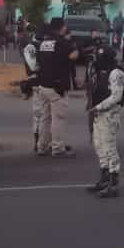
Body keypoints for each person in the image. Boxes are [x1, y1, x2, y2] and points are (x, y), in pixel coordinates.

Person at [83, 45, 124, 198]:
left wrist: (99, 107)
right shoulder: (101, 70)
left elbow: (116, 97)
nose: (97, 60)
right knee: (99, 145)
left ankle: (113, 182)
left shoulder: (116, 73)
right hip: (99, 113)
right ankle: (104, 178)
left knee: (109, 147)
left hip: (109, 114)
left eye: (100, 57)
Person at [33, 17, 80, 157]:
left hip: (43, 85)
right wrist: (76, 49)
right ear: (62, 28)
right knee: (58, 118)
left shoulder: (43, 43)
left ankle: (42, 146)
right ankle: (58, 148)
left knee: (45, 118)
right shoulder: (63, 43)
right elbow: (73, 56)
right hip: (57, 87)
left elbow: (38, 63)